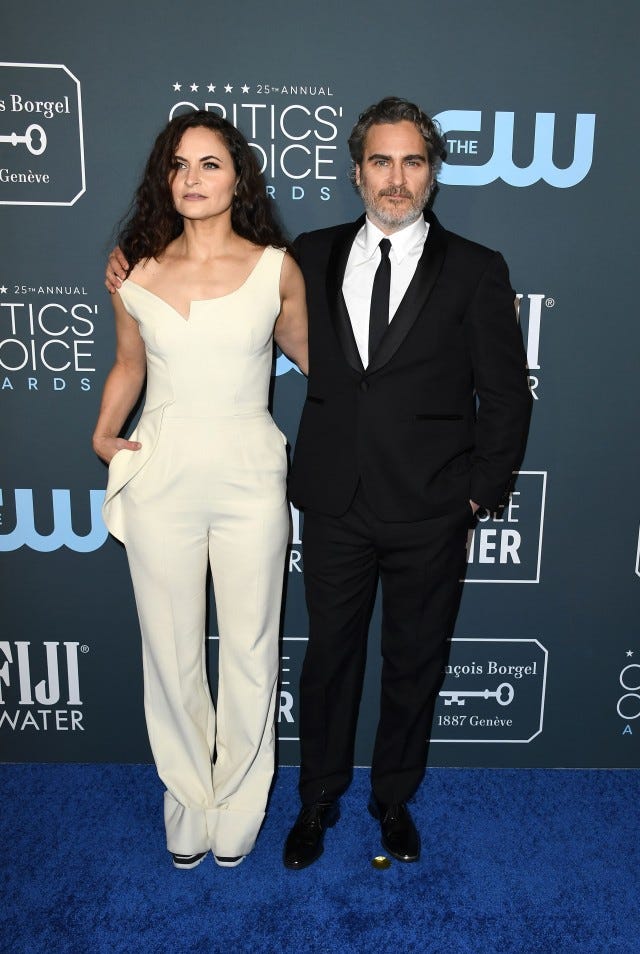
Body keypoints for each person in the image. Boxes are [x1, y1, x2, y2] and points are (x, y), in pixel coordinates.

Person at [283, 96, 532, 868]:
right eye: (382, 162)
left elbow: (506, 395)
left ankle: (393, 797)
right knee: (329, 659)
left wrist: (476, 495)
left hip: (431, 505)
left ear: (433, 174)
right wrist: (138, 265)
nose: (397, 179)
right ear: (356, 172)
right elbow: (217, 285)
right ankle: (318, 797)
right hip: (333, 501)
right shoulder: (309, 254)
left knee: (416, 658)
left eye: (413, 162)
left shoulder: (477, 268)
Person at [94, 110, 307, 871]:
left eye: (209, 164)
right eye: (178, 165)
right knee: (172, 652)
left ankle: (241, 802)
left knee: (249, 650)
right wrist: (102, 432)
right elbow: (128, 366)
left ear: (238, 176)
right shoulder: (136, 270)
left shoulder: (275, 268)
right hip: (162, 473)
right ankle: (189, 798)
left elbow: (328, 369)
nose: (191, 178)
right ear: (165, 177)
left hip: (250, 474)